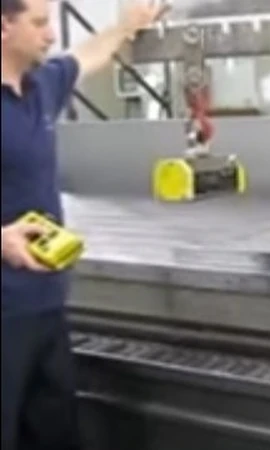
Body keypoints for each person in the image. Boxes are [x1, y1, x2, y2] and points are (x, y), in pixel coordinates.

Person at [1, 0, 168, 448]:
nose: (52, 35)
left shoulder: (40, 86)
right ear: (3, 27)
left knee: (54, 432)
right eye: (39, 23)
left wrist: (127, 26)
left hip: (45, 306)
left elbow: (87, 56)